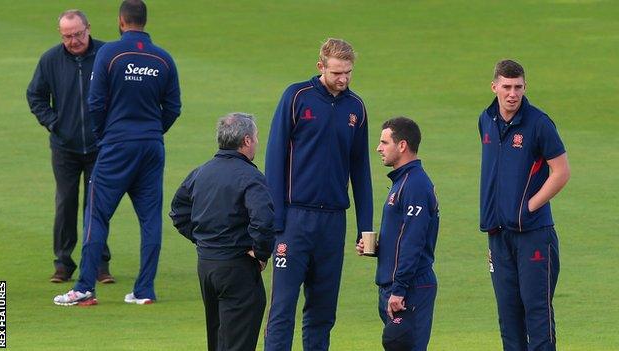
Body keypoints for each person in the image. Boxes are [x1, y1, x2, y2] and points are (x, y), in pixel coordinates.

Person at [53, 0, 181, 306]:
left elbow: (95, 103)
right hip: (151, 147)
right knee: (150, 219)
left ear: (121, 21)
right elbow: (173, 108)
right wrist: (151, 132)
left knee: (96, 214)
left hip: (116, 146)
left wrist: (104, 136)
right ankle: (144, 290)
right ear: (143, 21)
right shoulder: (163, 58)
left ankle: (84, 286)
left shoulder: (109, 53)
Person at [264, 38, 373, 351]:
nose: (343, 78)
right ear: (321, 66)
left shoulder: (356, 108)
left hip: (332, 222)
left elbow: (361, 171)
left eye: (348, 72)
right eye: (336, 72)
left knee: (323, 312)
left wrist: (365, 228)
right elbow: (274, 159)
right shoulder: (297, 97)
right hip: (294, 221)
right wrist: (277, 220)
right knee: (282, 310)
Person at [478, 59, 570, 350]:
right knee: (508, 318)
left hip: (534, 235)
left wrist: (530, 206)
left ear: (525, 87)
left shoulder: (539, 124)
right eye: (506, 87)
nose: (512, 94)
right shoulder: (486, 120)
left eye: (518, 87)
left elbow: (561, 172)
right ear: (494, 87)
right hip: (498, 235)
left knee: (537, 315)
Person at [170, 113, 275, 351]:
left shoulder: (201, 172)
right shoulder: (250, 176)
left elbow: (178, 211)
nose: (257, 142)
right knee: (237, 342)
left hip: (207, 265)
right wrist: (261, 253)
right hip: (237, 267)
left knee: (217, 340)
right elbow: (264, 219)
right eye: (256, 137)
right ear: (246, 141)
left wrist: (204, 240)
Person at [27, 9, 114, 284]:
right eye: (67, 36)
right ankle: (63, 263)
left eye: (77, 34)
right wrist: (53, 122)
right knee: (65, 203)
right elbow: (35, 95)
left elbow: (120, 93)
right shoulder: (50, 60)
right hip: (65, 147)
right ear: (61, 34)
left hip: (99, 146)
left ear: (88, 28)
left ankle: (100, 264)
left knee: (97, 205)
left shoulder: (106, 55)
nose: (73, 40)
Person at [356, 117, 439, 351]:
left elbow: (414, 241)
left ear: (402, 146)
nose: (378, 148)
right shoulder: (402, 181)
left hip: (409, 288)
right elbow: (403, 238)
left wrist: (399, 289)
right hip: (397, 286)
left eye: (384, 142)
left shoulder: (414, 185)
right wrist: (377, 249)